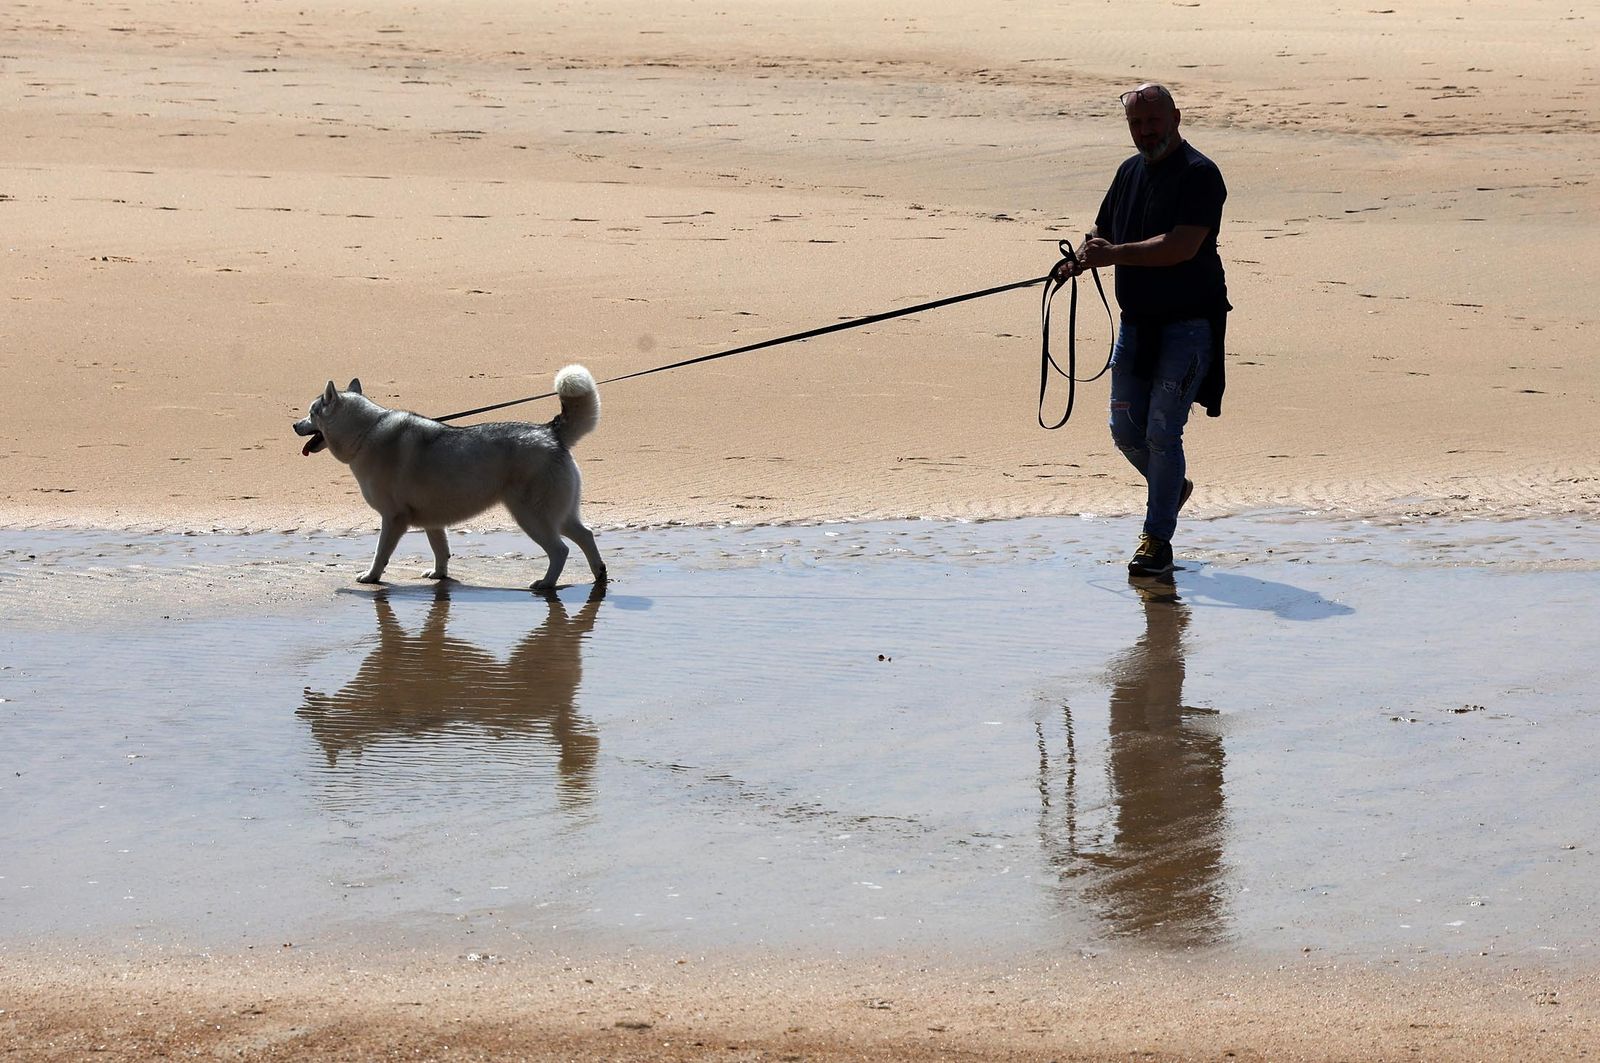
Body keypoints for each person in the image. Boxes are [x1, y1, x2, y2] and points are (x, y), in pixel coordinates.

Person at [1058, 82, 1230, 577]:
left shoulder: (1201, 174)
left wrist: (1114, 255)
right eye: (1136, 123)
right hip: (1137, 324)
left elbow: (1180, 246)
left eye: (1152, 121)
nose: (1144, 131)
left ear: (1176, 117)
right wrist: (1084, 257)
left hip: (1189, 327)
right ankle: (1171, 490)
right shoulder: (1128, 171)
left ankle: (1156, 541)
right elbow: (1104, 230)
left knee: (1161, 431)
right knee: (1124, 431)